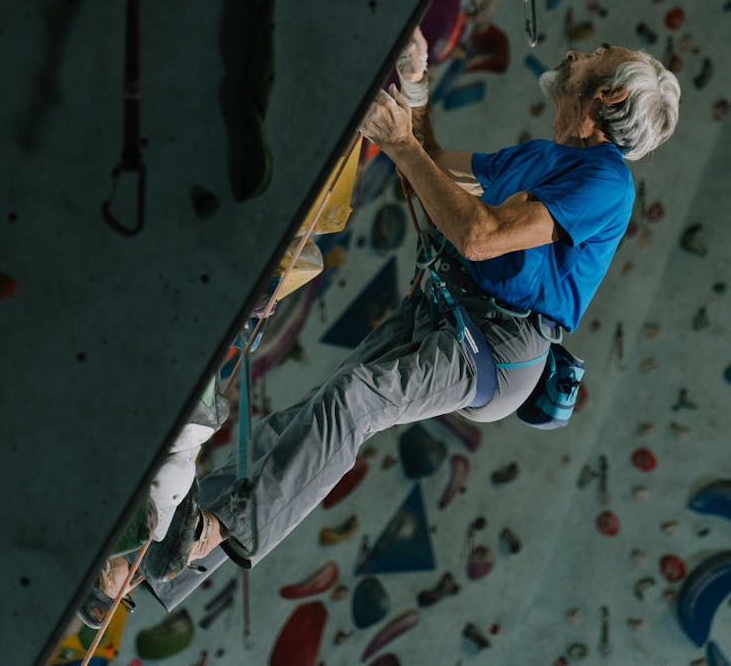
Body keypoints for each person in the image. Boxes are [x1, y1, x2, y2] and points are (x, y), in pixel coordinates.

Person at [86, 31, 680, 617]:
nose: (578, 53)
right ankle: (138, 566)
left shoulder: (607, 182)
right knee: (300, 423)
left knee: (354, 403)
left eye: (599, 56)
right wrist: (415, 88)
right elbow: (432, 170)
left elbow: (479, 235)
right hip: (449, 306)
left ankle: (210, 531)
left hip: (499, 346)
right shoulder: (544, 158)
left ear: (610, 98)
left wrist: (403, 147)